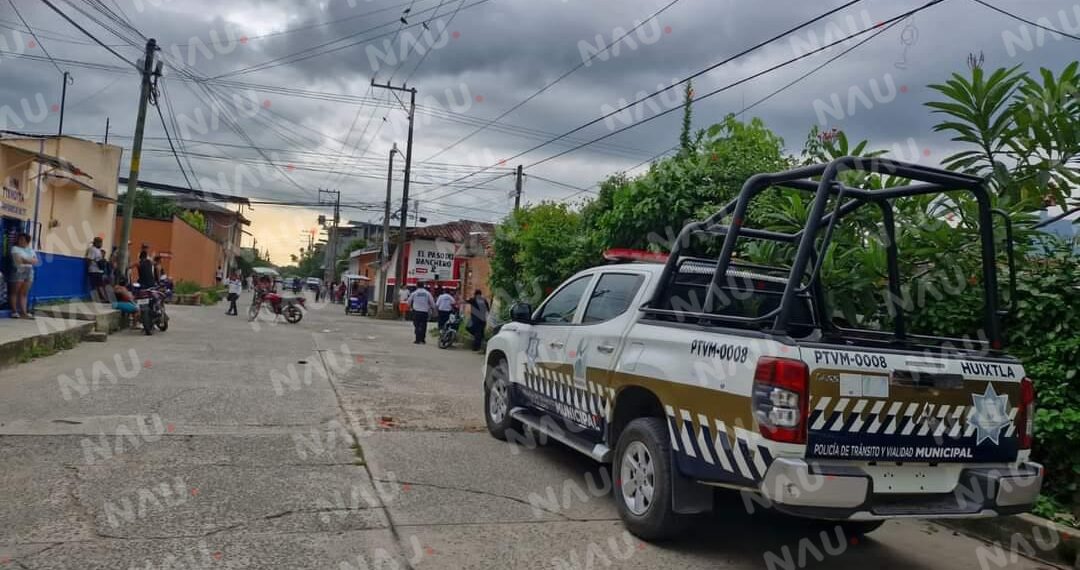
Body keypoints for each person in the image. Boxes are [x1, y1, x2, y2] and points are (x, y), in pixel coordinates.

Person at [8, 233, 37, 319]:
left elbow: (35, 261)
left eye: (23, 240)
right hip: (19, 270)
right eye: (20, 239)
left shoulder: (30, 250)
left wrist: (25, 260)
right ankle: (14, 312)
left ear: (27, 241)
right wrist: (29, 260)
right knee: (14, 292)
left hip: (29, 271)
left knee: (24, 293)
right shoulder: (15, 248)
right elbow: (18, 261)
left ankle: (23, 313)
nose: (21, 241)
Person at [85, 237, 107, 302]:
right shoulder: (92, 249)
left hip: (98, 270)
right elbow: (89, 259)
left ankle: (102, 298)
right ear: (97, 243)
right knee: (95, 285)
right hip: (93, 270)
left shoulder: (98, 250)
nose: (101, 244)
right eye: (101, 243)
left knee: (99, 285)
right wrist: (88, 268)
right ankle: (97, 298)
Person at [467, 289, 490, 353]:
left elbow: (467, 301)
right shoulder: (484, 300)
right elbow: (488, 309)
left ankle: (476, 347)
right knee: (480, 332)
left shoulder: (474, 299)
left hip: (476, 319)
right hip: (483, 319)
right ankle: (482, 345)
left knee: (475, 331)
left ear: (475, 294)